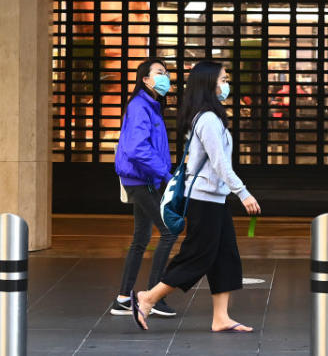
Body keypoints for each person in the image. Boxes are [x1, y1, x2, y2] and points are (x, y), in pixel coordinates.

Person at [130, 60, 262, 332]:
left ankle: (221, 318)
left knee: (225, 256)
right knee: (197, 256)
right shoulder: (208, 119)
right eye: (223, 80)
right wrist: (243, 192)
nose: (226, 85)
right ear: (208, 83)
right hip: (204, 200)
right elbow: (220, 164)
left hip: (215, 198)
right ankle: (148, 298)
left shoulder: (211, 116)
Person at [111, 59, 178, 318]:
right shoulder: (141, 106)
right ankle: (153, 297)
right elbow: (137, 148)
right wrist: (165, 174)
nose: (166, 77)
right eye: (160, 73)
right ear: (146, 80)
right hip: (142, 180)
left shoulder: (150, 105)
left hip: (143, 179)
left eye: (166, 73)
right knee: (169, 231)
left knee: (141, 239)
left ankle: (122, 299)